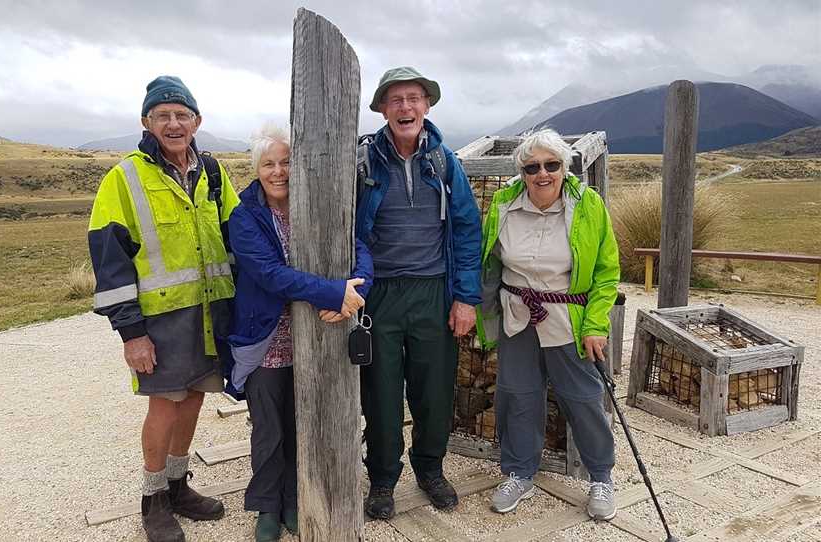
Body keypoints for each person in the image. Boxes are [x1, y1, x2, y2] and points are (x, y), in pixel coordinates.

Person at [88, 75, 239, 542]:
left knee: (193, 398)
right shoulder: (124, 178)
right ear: (146, 122)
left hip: (211, 313)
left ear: (197, 121)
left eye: (181, 115)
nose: (173, 123)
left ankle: (178, 487)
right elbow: (109, 260)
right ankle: (153, 498)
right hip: (160, 319)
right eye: (162, 115)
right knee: (165, 405)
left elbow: (239, 232)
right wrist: (131, 333)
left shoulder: (212, 173)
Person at [225, 124, 373, 542]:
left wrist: (356, 290)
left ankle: (295, 498)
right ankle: (266, 507)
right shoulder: (245, 216)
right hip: (268, 337)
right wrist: (332, 292)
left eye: (287, 162)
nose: (278, 172)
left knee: (303, 423)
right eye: (269, 163)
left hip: (317, 337)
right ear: (257, 169)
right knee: (269, 427)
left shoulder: (320, 203)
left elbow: (358, 246)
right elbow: (270, 275)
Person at [356, 66, 482, 520]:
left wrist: (466, 298)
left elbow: (468, 230)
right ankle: (383, 480)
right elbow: (347, 230)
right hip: (380, 296)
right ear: (383, 110)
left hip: (434, 292)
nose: (405, 107)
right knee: (381, 395)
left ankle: (430, 470)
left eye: (413, 98)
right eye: (396, 100)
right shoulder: (364, 162)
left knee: (434, 392)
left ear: (426, 106)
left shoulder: (445, 162)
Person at [476, 128, 620, 519]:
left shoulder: (588, 205)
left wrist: (595, 324)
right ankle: (520, 473)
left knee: (583, 398)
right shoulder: (504, 204)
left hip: (567, 318)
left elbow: (607, 272)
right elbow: (490, 261)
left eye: (552, 165)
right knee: (518, 395)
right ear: (521, 171)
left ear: (564, 167)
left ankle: (601, 477)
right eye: (532, 166)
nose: (543, 174)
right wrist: (483, 312)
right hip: (517, 316)